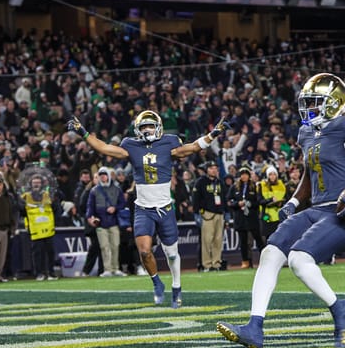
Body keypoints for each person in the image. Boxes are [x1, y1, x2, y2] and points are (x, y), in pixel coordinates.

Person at [217, 73, 345, 348]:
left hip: (341, 212)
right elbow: (310, 174)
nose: (309, 108)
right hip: (315, 208)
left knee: (298, 259)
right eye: (308, 102)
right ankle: (254, 327)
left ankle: (339, 308)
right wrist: (294, 202)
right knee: (270, 253)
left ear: (334, 102)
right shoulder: (308, 132)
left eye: (315, 102)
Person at [68, 110, 229, 307]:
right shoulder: (131, 145)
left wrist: (214, 133)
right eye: (143, 126)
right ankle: (157, 283)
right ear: (137, 129)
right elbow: (104, 148)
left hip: (165, 208)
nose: (147, 129)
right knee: (144, 252)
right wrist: (83, 132)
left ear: (158, 127)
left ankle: (176, 286)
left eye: (150, 126)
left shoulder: (169, 143)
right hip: (143, 209)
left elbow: (194, 147)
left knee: (172, 253)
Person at [86, 166, 127, 277]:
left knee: (115, 246)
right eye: (101, 175)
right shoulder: (94, 191)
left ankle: (115, 268)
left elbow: (123, 203)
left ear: (108, 176)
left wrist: (115, 208)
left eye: (104, 175)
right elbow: (90, 206)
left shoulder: (116, 189)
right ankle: (107, 269)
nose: (102, 177)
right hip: (100, 222)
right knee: (104, 247)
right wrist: (89, 217)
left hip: (114, 221)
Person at [20, 173, 58, 281]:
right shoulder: (26, 196)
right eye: (34, 183)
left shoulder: (48, 195)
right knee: (37, 253)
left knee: (50, 252)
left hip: (48, 227)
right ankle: (39, 273)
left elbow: (55, 208)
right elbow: (22, 211)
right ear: (30, 184)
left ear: (42, 184)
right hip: (35, 228)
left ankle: (51, 272)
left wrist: (55, 200)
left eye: (38, 182)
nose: (36, 184)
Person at [192, 161, 227, 272]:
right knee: (207, 240)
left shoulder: (220, 182)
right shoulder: (201, 182)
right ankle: (206, 264)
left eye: (215, 168)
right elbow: (195, 198)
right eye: (211, 168)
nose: (214, 170)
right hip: (207, 214)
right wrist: (196, 213)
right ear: (207, 170)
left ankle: (216, 263)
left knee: (218, 240)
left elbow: (224, 198)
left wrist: (226, 212)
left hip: (219, 214)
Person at [227, 167, 264, 269]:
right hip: (240, 217)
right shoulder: (234, 187)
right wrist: (237, 203)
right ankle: (245, 261)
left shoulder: (254, 186)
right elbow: (229, 200)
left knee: (259, 239)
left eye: (246, 174)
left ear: (249, 175)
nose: (244, 176)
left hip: (252, 216)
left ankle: (265, 259)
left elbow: (259, 200)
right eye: (242, 174)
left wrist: (250, 204)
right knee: (243, 241)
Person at [257, 166, 287, 244]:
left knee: (279, 239)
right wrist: (270, 200)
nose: (272, 176)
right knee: (268, 239)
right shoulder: (262, 185)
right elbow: (259, 201)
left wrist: (281, 203)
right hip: (266, 216)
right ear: (267, 176)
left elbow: (286, 199)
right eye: (270, 174)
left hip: (278, 217)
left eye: (274, 174)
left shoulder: (282, 186)